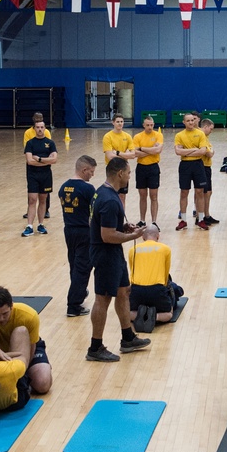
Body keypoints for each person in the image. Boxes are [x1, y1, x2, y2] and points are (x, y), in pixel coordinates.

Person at [87, 157, 151, 361]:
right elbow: (107, 236)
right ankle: (95, 347)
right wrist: (132, 236)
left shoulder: (104, 192)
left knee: (123, 292)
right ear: (120, 174)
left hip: (113, 253)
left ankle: (127, 337)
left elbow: (107, 228)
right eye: (129, 172)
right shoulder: (108, 200)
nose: (130, 176)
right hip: (106, 254)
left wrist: (123, 228)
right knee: (103, 299)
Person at [0, 287, 52, 393]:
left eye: (5, 314)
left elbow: (32, 348)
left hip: (27, 351)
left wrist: (19, 376)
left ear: (11, 306)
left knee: (43, 384)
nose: (1, 319)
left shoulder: (29, 315)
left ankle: (38, 369)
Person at [59, 156, 97, 317]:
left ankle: (79, 293)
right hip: (84, 232)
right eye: (91, 171)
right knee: (82, 268)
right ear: (84, 170)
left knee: (74, 265)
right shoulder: (88, 189)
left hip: (68, 230)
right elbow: (94, 213)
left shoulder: (63, 187)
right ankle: (73, 306)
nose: (92, 175)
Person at [128, 225, 183, 324]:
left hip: (137, 289)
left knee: (129, 313)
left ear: (143, 237)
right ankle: (154, 316)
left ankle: (142, 314)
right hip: (157, 289)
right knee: (169, 314)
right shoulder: (165, 249)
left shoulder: (132, 250)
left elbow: (132, 271)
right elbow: (166, 276)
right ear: (158, 237)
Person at [174, 113, 211, 230]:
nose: (191, 122)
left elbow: (202, 151)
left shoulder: (200, 134)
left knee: (200, 191)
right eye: (188, 121)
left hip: (198, 165)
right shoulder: (179, 135)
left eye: (192, 120)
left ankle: (200, 219)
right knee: (184, 192)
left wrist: (186, 151)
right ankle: (183, 220)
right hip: (185, 165)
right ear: (184, 122)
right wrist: (195, 149)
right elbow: (178, 152)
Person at [23, 118, 58, 237]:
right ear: (34, 128)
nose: (40, 129)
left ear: (45, 128)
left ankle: (41, 224)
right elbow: (29, 161)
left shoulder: (50, 143)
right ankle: (29, 226)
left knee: (43, 200)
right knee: (32, 199)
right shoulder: (30, 143)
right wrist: (46, 161)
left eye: (42, 127)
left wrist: (39, 159)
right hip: (33, 175)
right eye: (37, 127)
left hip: (46, 175)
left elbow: (54, 160)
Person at [132, 116, 163, 228]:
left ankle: (154, 222)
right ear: (143, 125)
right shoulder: (137, 136)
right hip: (141, 168)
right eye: (148, 125)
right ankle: (142, 220)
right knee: (142, 195)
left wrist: (142, 148)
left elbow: (158, 150)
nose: (150, 127)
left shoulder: (158, 135)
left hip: (153, 167)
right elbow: (135, 153)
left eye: (152, 125)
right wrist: (151, 150)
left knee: (154, 196)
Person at [102, 113, 136, 207]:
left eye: (121, 122)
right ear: (113, 123)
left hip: (124, 169)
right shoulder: (108, 137)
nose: (120, 124)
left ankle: (121, 219)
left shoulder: (127, 136)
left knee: (122, 196)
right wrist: (126, 156)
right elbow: (109, 156)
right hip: (112, 169)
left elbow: (133, 155)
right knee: (112, 195)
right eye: (117, 122)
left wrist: (117, 153)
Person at [23, 112, 52, 220]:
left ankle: (46, 210)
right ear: (33, 119)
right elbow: (28, 153)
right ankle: (30, 210)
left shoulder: (47, 132)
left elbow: (49, 151)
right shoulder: (27, 133)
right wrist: (38, 159)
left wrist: (40, 159)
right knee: (31, 189)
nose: (38, 119)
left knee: (45, 191)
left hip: (44, 167)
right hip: (32, 167)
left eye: (40, 118)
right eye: (36, 118)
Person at [198, 118, 220, 225]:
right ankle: (200, 217)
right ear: (205, 127)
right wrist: (210, 151)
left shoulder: (206, 137)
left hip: (207, 166)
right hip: (202, 166)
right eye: (210, 129)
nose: (211, 131)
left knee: (208, 192)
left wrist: (210, 151)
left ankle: (206, 215)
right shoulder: (200, 136)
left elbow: (210, 151)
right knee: (203, 193)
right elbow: (209, 153)